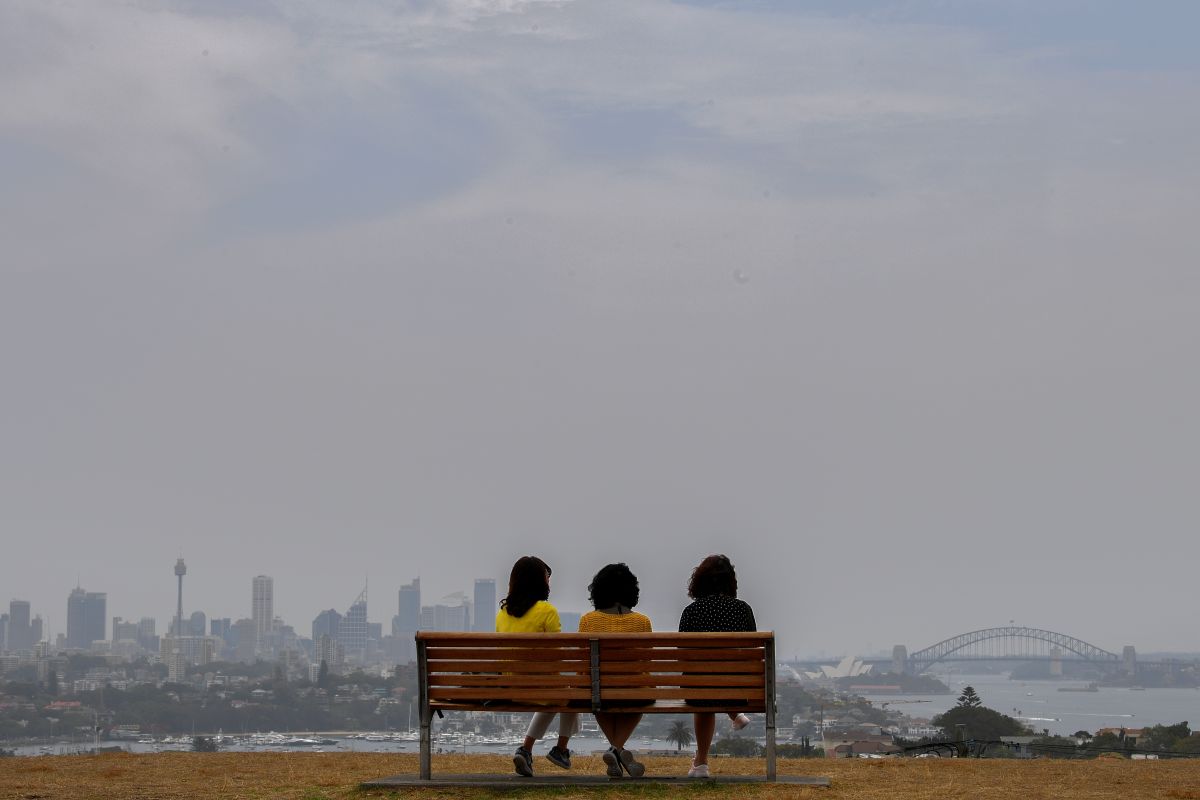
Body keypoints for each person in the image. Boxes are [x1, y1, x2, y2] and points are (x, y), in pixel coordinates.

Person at [496, 555, 577, 777]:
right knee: (573, 693)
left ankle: (526, 749)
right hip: (541, 688)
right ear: (539, 581)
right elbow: (557, 654)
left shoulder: (502, 614)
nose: (549, 582)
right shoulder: (546, 611)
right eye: (547, 577)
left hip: (511, 689)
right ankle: (561, 749)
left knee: (557, 690)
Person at [678, 554, 756, 778]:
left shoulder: (691, 611)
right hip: (737, 687)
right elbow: (752, 652)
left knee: (704, 690)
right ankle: (735, 714)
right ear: (731, 582)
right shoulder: (742, 609)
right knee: (716, 682)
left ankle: (701, 763)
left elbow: (683, 656)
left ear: (699, 581)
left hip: (699, 688)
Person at [578, 562, 652, 778]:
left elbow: (583, 664)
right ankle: (617, 749)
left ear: (598, 590)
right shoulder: (642, 622)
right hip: (635, 693)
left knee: (597, 701)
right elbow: (647, 662)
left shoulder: (588, 621)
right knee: (638, 702)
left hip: (598, 691)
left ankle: (614, 749)